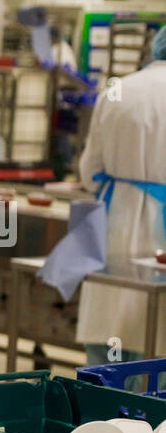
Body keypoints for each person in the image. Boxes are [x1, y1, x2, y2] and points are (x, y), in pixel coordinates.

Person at [71, 27, 166, 365]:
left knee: (109, 329)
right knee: (158, 336)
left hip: (116, 219)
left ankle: (105, 410)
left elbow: (90, 170)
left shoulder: (118, 90)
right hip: (160, 231)